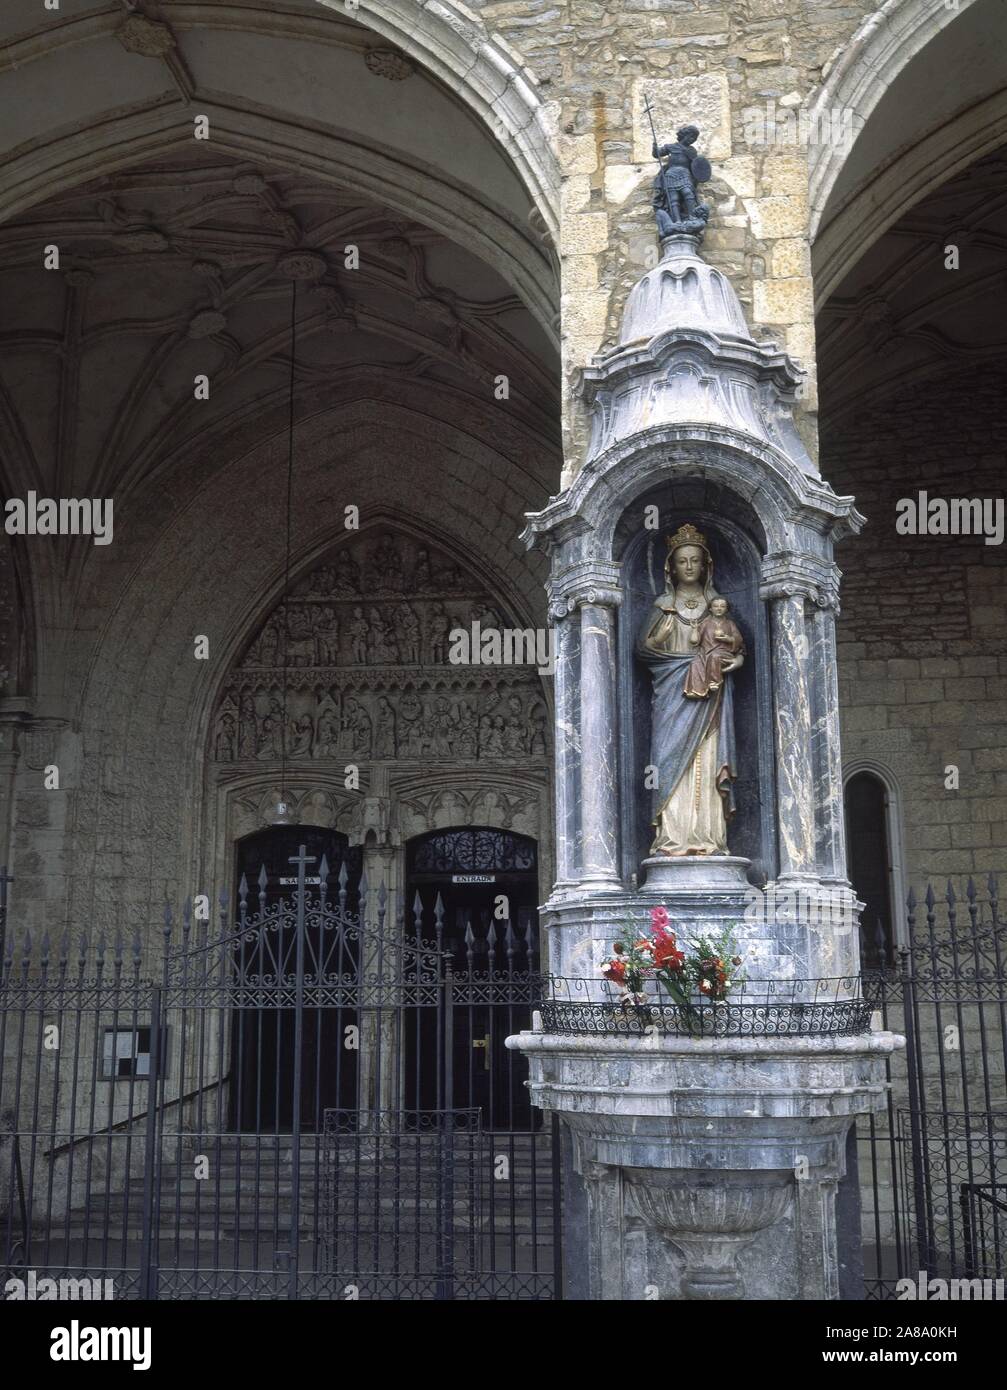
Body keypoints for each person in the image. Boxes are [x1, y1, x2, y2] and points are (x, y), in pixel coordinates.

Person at [637, 524, 743, 856]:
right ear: (671, 566)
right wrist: (663, 635)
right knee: (669, 760)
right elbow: (645, 650)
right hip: (673, 693)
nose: (688, 567)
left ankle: (708, 837)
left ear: (705, 565)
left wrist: (736, 661)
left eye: (695, 561)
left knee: (709, 758)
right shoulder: (663, 604)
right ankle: (673, 836)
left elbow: (736, 644)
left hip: (711, 695)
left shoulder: (718, 605)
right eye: (682, 561)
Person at [684, 597, 745, 699]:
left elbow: (739, 640)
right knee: (695, 663)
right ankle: (696, 690)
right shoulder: (705, 623)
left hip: (724, 653)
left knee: (715, 657)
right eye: (716, 606)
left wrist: (728, 639)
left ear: (726, 609)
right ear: (710, 609)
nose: (719, 609)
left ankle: (714, 681)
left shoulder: (730, 624)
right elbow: (694, 641)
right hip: (705, 654)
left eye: (722, 606)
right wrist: (694, 629)